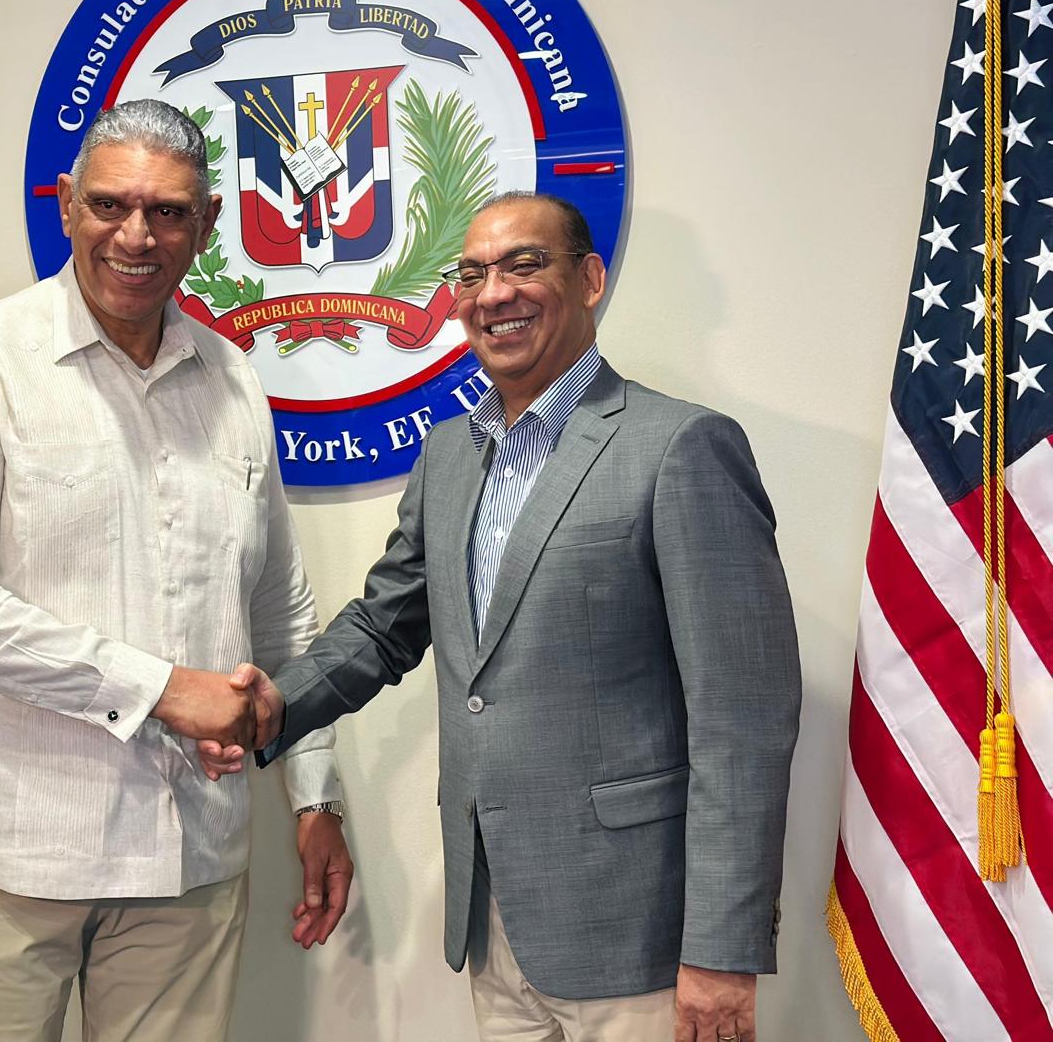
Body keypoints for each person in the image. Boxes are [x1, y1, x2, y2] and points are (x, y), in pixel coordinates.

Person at [207, 191, 800, 1042]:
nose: (494, 293)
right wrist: (270, 708)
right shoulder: (449, 454)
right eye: (473, 274)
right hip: (495, 923)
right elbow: (383, 626)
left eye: (525, 265)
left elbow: (742, 720)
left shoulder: (680, 447)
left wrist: (722, 947)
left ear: (590, 279)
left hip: (642, 938)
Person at [0, 99, 351, 1042]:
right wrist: (164, 690)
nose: (136, 236)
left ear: (207, 224)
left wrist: (315, 794)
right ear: (66, 204)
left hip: (190, 862)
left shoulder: (234, 380)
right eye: (109, 205)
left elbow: (278, 613)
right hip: (5, 859)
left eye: (168, 212)